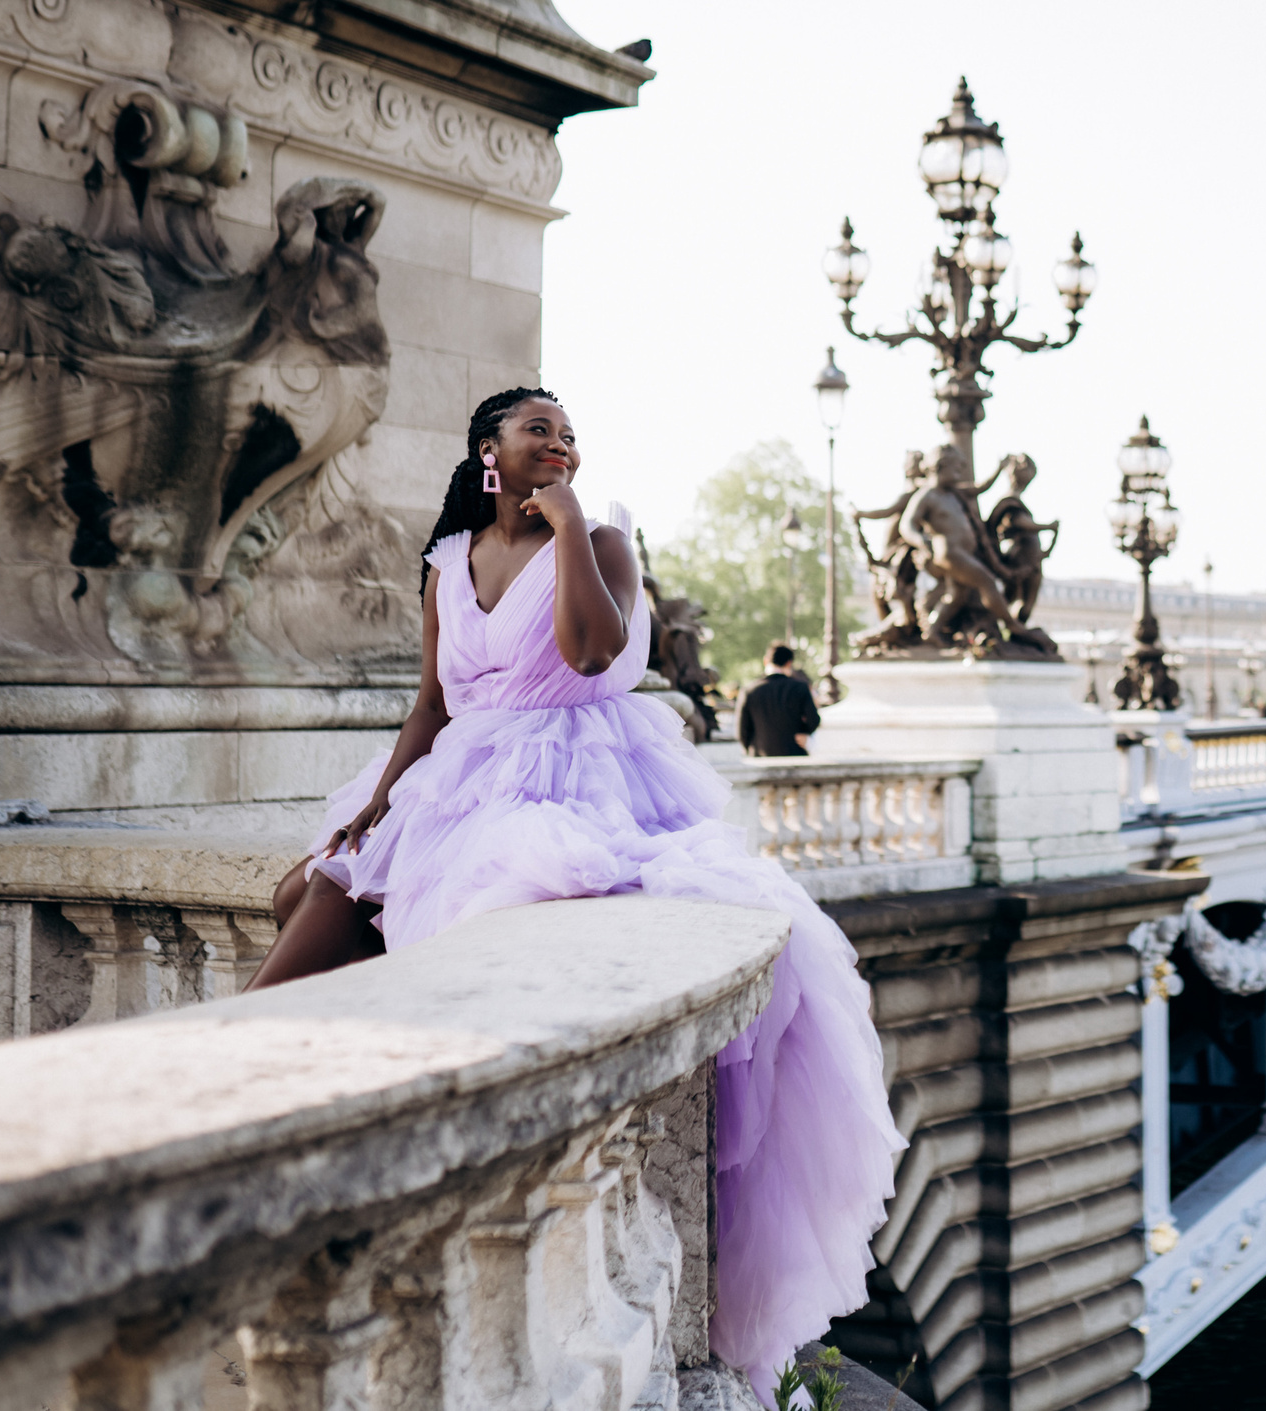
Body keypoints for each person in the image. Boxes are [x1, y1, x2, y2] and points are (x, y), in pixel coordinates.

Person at [241, 387, 900, 1384]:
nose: (559, 443)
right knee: (313, 895)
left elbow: (592, 652)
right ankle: (250, 1117)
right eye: (537, 429)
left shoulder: (602, 540)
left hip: (568, 778)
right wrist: (378, 802)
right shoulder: (448, 561)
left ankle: (271, 1135)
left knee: (467, 931)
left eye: (568, 433)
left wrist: (570, 528)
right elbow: (431, 706)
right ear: (488, 449)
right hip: (458, 776)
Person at [740, 644, 820, 757]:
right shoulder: (800, 688)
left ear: (765, 661)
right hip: (794, 753)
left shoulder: (749, 691)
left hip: (760, 755)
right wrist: (803, 732)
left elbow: (742, 731)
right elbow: (814, 720)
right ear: (789, 663)